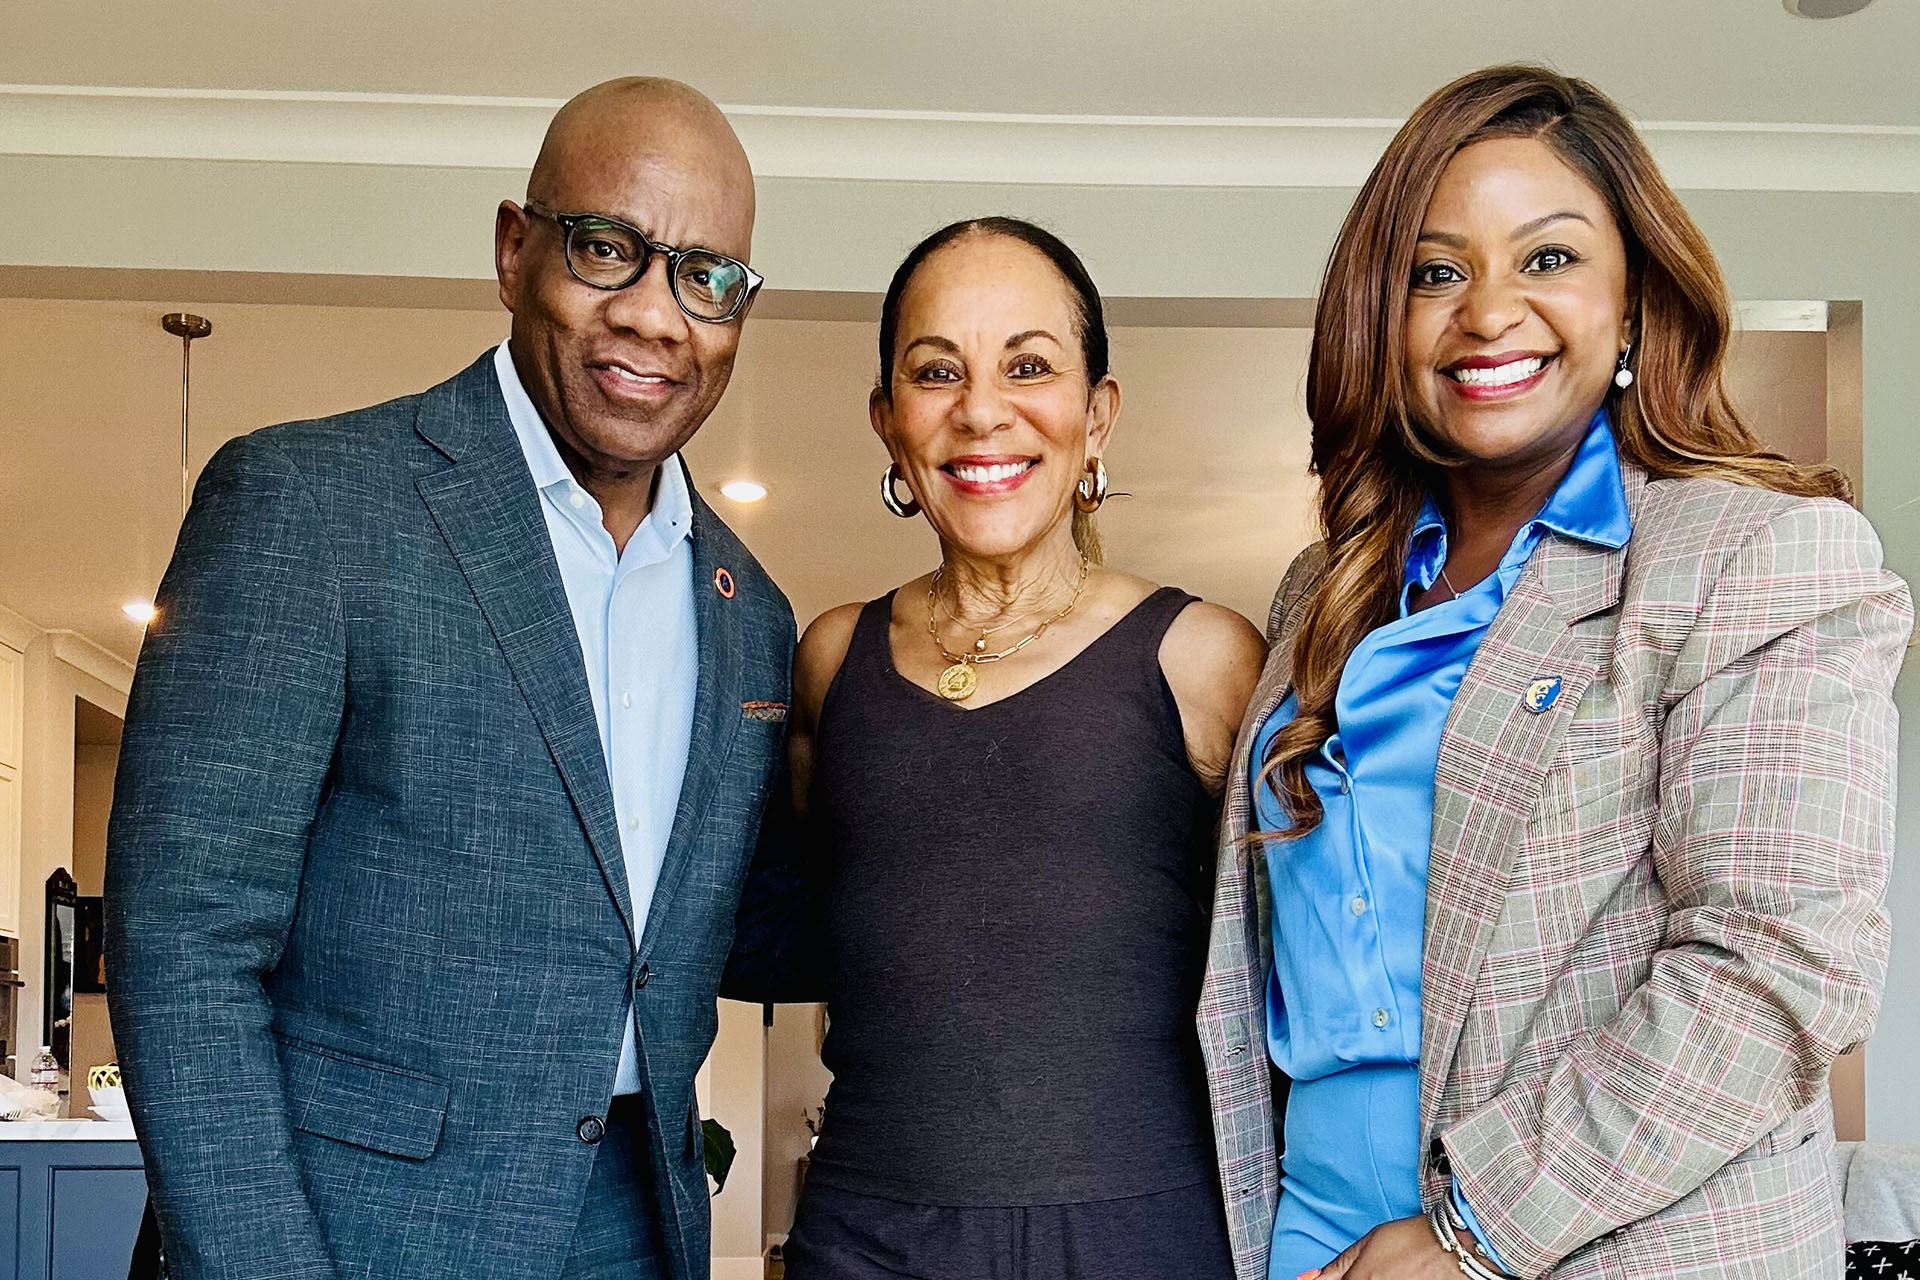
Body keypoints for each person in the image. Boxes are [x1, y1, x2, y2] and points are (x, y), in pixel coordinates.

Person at [1198, 65, 1912, 1280]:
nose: (1487, 313)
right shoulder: (1328, 589)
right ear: (1387, 314)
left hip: (1603, 1241)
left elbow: (1779, 967)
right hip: (1310, 1228)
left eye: (1548, 259)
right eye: (1436, 271)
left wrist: (1470, 1231)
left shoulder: (1758, 552)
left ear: (1634, 303)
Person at [105, 78, 793, 1280]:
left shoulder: (754, 611)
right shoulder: (309, 503)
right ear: (514, 249)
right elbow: (185, 943)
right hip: (349, 1232)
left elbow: (728, 927)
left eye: (707, 277)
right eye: (606, 250)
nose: (654, 314)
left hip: (642, 1221)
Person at [759, 217, 1265, 1280]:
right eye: (937, 372)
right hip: (862, 1238)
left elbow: (1290, 968)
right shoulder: (832, 658)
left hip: (1140, 1239)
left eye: (1029, 365)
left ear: (1097, 414)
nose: (982, 410)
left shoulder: (1202, 657)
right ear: (890, 422)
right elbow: (802, 923)